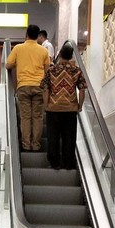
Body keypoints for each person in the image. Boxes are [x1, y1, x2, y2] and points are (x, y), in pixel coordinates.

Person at [40, 41, 87, 170]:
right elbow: (82, 90)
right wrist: (80, 106)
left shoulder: (51, 70)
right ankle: (68, 163)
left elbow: (45, 88)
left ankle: (54, 163)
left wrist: (46, 105)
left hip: (53, 109)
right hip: (70, 110)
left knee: (53, 136)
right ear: (71, 56)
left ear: (59, 54)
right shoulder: (76, 71)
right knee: (69, 137)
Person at [5, 24, 50, 152]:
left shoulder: (18, 48)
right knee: (37, 117)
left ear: (26, 34)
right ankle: (36, 145)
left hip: (23, 86)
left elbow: (8, 65)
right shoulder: (43, 51)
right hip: (39, 87)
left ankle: (26, 145)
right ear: (37, 36)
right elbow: (47, 71)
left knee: (25, 117)